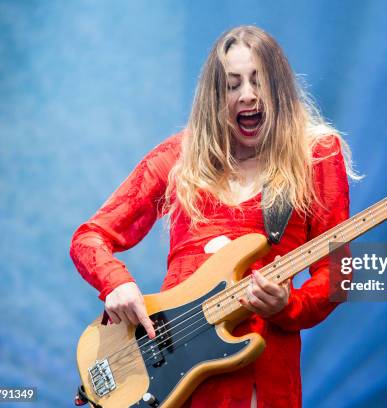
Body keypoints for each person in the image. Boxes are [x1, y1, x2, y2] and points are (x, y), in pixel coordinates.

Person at [70, 25, 357, 408]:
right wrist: (116, 284)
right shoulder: (177, 157)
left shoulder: (316, 155)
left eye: (259, 81)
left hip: (261, 371)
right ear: (214, 96)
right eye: (233, 84)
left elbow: (338, 272)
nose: (248, 95)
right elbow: (90, 237)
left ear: (280, 89)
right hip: (169, 373)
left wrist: (288, 305)